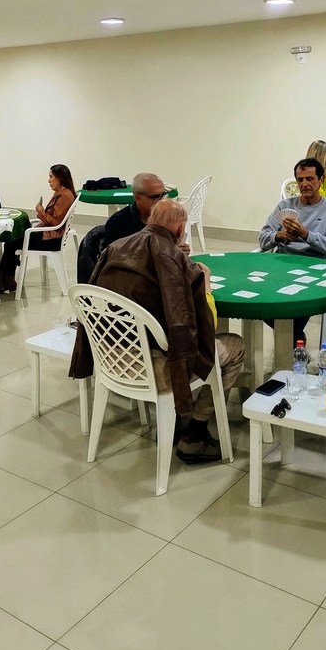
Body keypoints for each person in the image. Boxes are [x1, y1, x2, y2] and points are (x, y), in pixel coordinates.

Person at [70, 198, 245, 464]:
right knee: (234, 346)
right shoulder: (173, 258)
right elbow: (203, 324)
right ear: (181, 228)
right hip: (154, 368)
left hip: (110, 359)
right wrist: (205, 283)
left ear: (150, 219)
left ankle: (178, 419)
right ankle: (195, 433)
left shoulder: (114, 248)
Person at [259, 157, 326, 343]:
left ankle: (294, 342)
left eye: (310, 179)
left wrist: (306, 234)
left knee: (294, 310)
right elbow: (263, 239)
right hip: (281, 265)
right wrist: (279, 235)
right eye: (300, 180)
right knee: (259, 303)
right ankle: (296, 341)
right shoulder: (285, 206)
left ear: (320, 181)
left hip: (313, 268)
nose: (305, 184)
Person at [0, 164, 75, 293]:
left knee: (12, 242)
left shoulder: (64, 195)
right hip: (50, 234)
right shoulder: (60, 193)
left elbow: (55, 222)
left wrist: (40, 210)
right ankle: (5, 278)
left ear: (60, 177)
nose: (48, 180)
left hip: (52, 239)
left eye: (51, 177)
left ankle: (3, 278)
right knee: (13, 241)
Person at [101, 172, 168, 248]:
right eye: (155, 197)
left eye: (163, 195)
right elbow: (113, 254)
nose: (161, 201)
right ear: (137, 197)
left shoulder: (166, 217)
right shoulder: (118, 223)